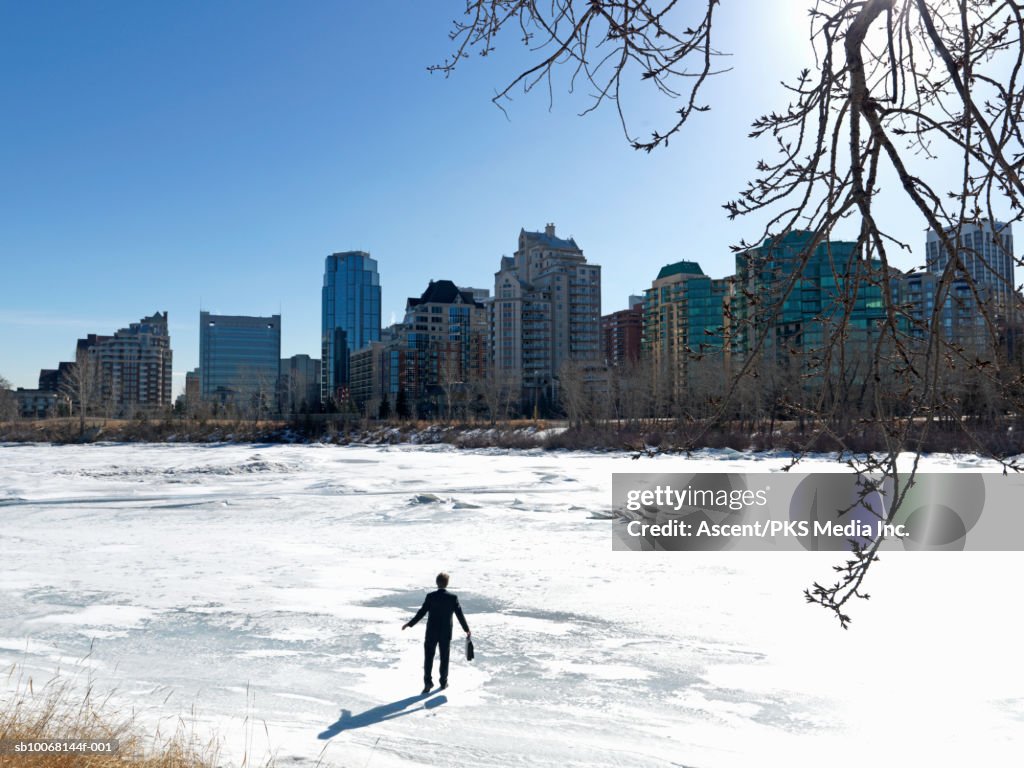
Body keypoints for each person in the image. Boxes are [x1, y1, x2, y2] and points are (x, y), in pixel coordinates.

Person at [402, 572, 471, 694]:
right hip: (445, 633)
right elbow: (459, 615)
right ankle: (443, 682)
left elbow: (421, 612)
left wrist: (410, 624)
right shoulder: (452, 598)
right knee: (444, 658)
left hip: (431, 633)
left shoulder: (431, 596)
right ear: (447, 583)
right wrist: (466, 629)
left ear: (437, 583)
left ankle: (428, 683)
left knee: (428, 658)